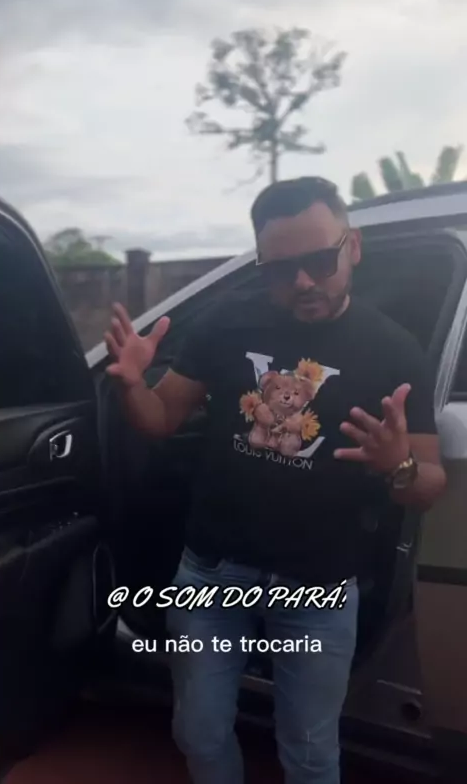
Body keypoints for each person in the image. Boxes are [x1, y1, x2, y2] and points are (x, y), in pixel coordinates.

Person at [104, 176, 446, 784]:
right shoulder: (225, 322)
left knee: (310, 752)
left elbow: (427, 485)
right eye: (281, 269)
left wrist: (397, 464)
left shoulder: (394, 351)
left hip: (318, 588)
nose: (304, 282)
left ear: (353, 247)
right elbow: (159, 421)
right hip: (213, 576)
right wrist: (131, 385)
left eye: (320, 261)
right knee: (198, 732)